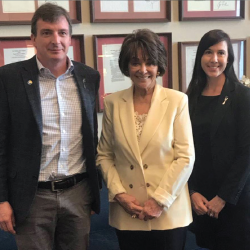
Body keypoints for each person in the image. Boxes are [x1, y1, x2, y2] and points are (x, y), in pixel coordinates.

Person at [0, 3, 100, 250]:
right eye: (47, 32)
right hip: (31, 196)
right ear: (33, 38)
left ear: (70, 37)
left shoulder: (89, 77)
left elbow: (91, 138)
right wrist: (2, 200)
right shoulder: (8, 78)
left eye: (62, 32)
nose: (56, 40)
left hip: (78, 193)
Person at [97, 29, 195, 250]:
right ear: (126, 66)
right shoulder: (113, 103)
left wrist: (159, 201)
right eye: (135, 63)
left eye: (149, 62)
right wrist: (120, 195)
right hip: (128, 211)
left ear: (159, 65)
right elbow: (104, 155)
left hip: (169, 211)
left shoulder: (177, 101)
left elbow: (185, 157)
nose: (143, 70)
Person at [187, 29, 250, 250]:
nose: (214, 59)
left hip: (234, 200)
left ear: (229, 58)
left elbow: (246, 152)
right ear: (200, 57)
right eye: (208, 52)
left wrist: (222, 197)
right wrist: (192, 191)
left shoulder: (242, 96)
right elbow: (185, 150)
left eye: (221, 53)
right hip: (201, 200)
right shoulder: (190, 97)